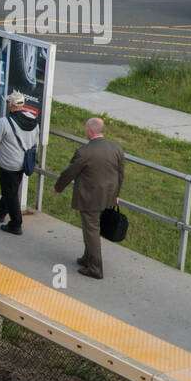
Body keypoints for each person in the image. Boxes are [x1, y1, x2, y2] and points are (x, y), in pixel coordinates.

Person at [53, 116, 125, 279]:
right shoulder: (116, 148)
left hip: (90, 198)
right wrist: (117, 194)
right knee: (92, 228)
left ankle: (95, 268)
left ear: (90, 131)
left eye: (86, 128)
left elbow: (70, 172)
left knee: (91, 230)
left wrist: (58, 187)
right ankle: (87, 258)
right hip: (108, 196)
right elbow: (121, 174)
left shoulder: (84, 152)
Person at [0, 91, 39, 235]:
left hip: (8, 164)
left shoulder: (4, 122)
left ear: (11, 105)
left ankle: (16, 223)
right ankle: (0, 213)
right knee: (10, 190)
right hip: (23, 163)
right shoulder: (33, 120)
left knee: (10, 193)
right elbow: (35, 142)